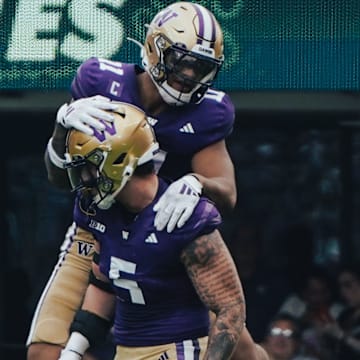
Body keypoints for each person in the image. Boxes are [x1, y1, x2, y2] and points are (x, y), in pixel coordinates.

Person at [26, 2, 267, 360]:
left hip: (162, 233)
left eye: (200, 67)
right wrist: (63, 129)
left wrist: (197, 182)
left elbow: (226, 192)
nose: (188, 75)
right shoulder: (98, 82)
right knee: (47, 351)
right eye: (181, 61)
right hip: (96, 226)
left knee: (235, 341)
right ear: (155, 48)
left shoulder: (208, 113)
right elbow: (62, 180)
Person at [58, 101, 246, 359]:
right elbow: (104, 284)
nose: (85, 179)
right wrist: (74, 349)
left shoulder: (184, 216)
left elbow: (231, 309)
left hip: (177, 347)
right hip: (124, 350)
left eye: (90, 167)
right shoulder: (100, 211)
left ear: (118, 162)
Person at [321, 263, 360, 360]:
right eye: (340, 287)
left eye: (348, 285)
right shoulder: (345, 314)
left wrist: (342, 336)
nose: (343, 292)